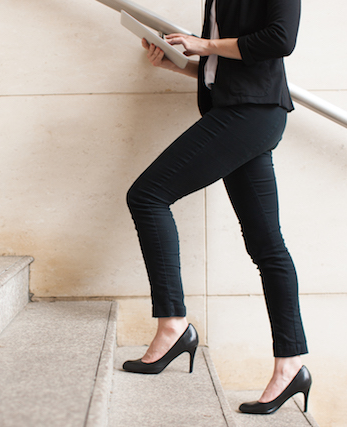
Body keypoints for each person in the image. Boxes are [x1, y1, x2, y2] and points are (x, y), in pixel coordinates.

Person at [122, 0, 311, 415]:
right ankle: (291, 365)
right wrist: (176, 63)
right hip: (236, 108)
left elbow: (281, 40)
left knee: (147, 196)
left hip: (252, 112)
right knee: (266, 246)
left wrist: (203, 43)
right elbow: (221, 68)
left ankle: (173, 325)